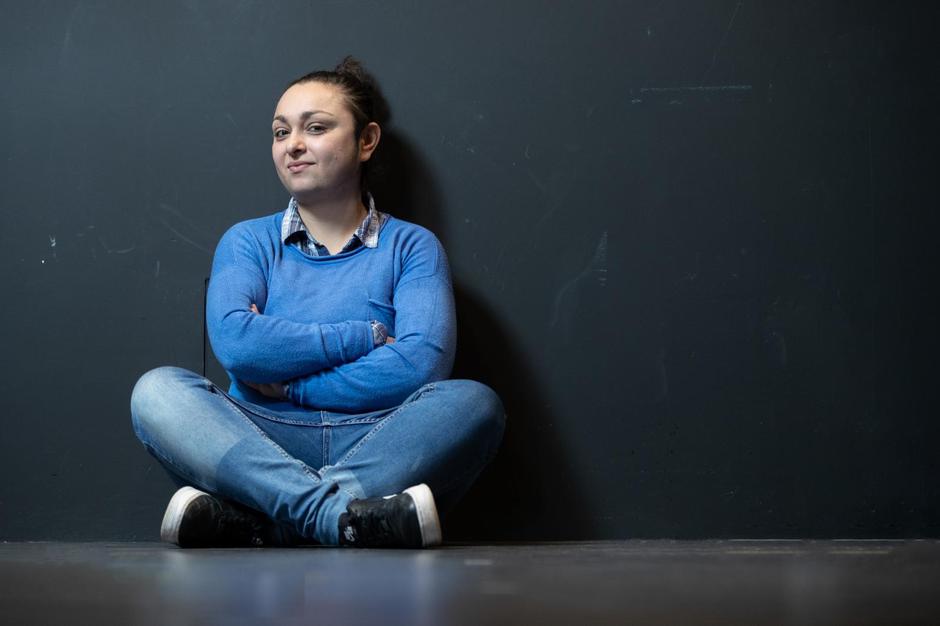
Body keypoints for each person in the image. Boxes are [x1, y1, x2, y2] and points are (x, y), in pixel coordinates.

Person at [130, 57, 505, 549]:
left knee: (473, 403)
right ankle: (340, 517)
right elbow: (239, 346)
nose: (293, 145)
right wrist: (365, 336)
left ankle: (270, 522)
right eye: (280, 132)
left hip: (378, 437)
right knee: (157, 392)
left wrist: (289, 386)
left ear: (366, 141)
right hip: (263, 439)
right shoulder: (247, 242)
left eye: (316, 128)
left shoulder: (412, 246)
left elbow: (420, 365)